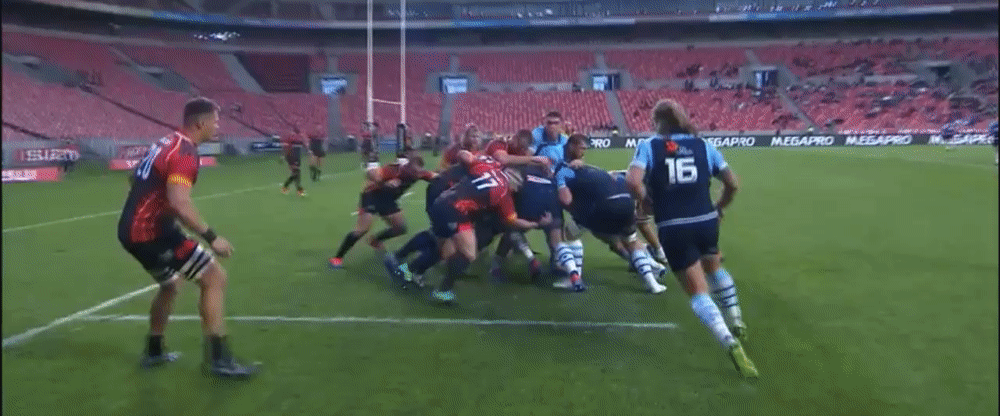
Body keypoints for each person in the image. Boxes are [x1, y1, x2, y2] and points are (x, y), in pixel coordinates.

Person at [117, 97, 258, 378]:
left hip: (132, 229)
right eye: (215, 121)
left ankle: (154, 351)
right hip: (151, 232)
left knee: (170, 284)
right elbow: (180, 203)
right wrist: (212, 237)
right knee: (214, 277)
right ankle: (219, 360)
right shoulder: (184, 152)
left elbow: (135, 179)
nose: (218, 126)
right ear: (201, 123)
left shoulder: (166, 142)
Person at [625, 99, 758, 379]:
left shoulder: (649, 145)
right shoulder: (704, 145)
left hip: (674, 225)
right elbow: (732, 183)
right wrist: (719, 207)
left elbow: (633, 181)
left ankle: (730, 343)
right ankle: (736, 319)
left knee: (698, 292)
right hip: (706, 221)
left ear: (658, 122)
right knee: (714, 268)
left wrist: (646, 201)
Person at [428, 151, 552, 303]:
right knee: (467, 253)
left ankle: (409, 269)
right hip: (454, 209)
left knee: (444, 248)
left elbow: (464, 155)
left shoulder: (489, 166)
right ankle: (441, 290)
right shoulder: (504, 193)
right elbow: (513, 222)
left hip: (443, 199)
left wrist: (466, 159)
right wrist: (537, 224)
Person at [556, 135, 666, 294]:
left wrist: (572, 207)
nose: (583, 152)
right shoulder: (595, 171)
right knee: (631, 241)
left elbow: (566, 200)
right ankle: (653, 283)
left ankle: (574, 277)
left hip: (601, 207)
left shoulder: (563, 173)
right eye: (582, 148)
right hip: (626, 204)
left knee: (567, 236)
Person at [329, 156, 436, 270]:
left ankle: (375, 241)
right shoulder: (394, 170)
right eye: (413, 171)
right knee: (362, 229)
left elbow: (437, 177)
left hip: (388, 199)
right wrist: (383, 182)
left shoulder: (419, 173)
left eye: (418, 172)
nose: (415, 174)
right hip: (372, 195)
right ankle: (337, 258)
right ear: (407, 167)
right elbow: (371, 173)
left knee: (400, 228)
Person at [530, 111, 585, 290]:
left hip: (556, 186)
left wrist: (577, 162)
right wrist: (540, 164)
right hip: (537, 186)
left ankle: (559, 262)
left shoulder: (565, 141)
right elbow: (527, 158)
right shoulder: (536, 136)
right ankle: (500, 262)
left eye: (555, 123)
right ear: (544, 123)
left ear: (561, 125)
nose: (552, 126)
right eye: (549, 123)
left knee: (557, 226)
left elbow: (573, 160)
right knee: (517, 223)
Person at [281, 127, 307, 196]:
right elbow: (286, 147)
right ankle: (299, 190)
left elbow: (305, 146)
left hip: (297, 158)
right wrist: (283, 156)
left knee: (295, 173)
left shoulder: (299, 139)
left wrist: (308, 149)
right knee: (296, 172)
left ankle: (285, 187)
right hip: (291, 157)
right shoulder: (291, 139)